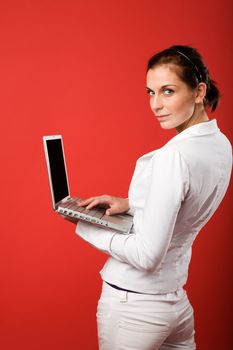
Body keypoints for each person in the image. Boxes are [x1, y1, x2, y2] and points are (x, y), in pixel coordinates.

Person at [64, 45, 232, 349]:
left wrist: (85, 225)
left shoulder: (174, 156)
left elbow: (147, 255)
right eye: (150, 93)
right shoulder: (220, 145)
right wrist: (130, 204)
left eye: (168, 91)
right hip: (175, 304)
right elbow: (187, 204)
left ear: (199, 92)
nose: (155, 104)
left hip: (134, 309)